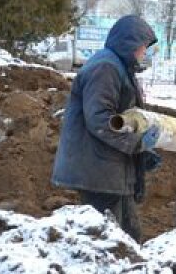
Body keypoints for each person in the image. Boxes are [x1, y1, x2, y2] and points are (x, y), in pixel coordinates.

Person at [52, 15, 162, 242]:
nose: (144, 52)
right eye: (142, 46)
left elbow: (127, 117)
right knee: (108, 242)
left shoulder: (118, 66)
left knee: (128, 238)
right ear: (129, 44)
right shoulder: (106, 68)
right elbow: (101, 119)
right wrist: (137, 144)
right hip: (98, 172)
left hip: (109, 171)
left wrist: (143, 153)